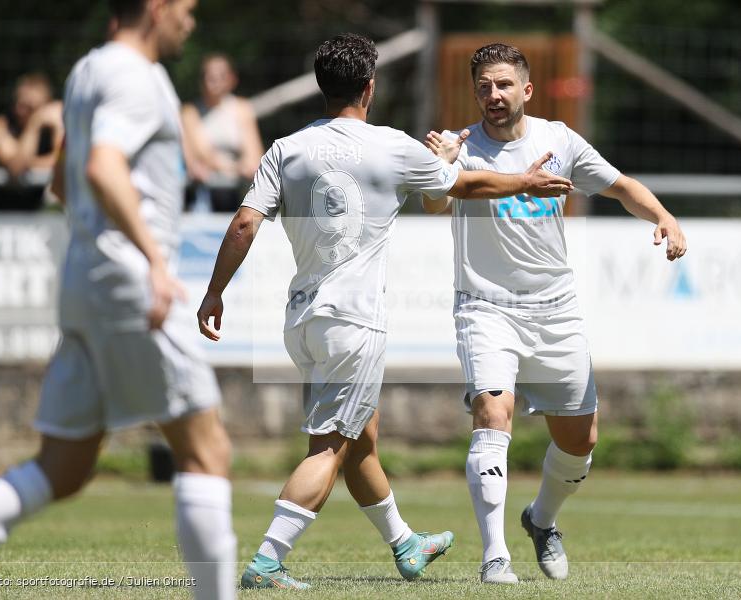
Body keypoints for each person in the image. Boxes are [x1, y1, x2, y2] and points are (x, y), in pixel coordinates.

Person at [196, 33, 572, 589]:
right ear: (369, 87)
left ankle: (404, 544)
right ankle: (268, 560)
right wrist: (524, 180)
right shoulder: (390, 146)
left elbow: (245, 222)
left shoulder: (286, 148)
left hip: (303, 320)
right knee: (330, 447)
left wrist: (214, 292)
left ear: (323, 86)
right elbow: (461, 185)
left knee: (360, 439)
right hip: (354, 321)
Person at [0, 2, 237, 599]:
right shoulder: (134, 76)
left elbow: (63, 180)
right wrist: (153, 261)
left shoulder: (87, 70)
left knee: (61, 469)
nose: (189, 23)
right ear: (155, 8)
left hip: (85, 281)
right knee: (206, 452)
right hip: (132, 281)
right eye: (186, 10)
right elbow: (101, 166)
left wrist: (102, 246)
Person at [423, 43, 687, 584]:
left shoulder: (558, 139)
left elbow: (620, 187)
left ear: (527, 89)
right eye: (483, 87)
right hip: (486, 306)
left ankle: (541, 520)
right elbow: (434, 201)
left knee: (580, 440)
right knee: (493, 414)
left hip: (555, 311)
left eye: (502, 85)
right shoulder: (461, 147)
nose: (492, 96)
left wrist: (662, 215)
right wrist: (440, 166)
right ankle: (495, 555)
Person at [181, 53, 262, 211]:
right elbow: (204, 154)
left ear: (232, 79)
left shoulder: (242, 109)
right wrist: (237, 168)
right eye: (210, 76)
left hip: (239, 194)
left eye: (221, 76)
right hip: (204, 195)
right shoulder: (190, 113)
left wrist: (244, 167)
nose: (215, 81)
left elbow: (254, 156)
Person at [0, 72, 64, 210]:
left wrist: (60, 124)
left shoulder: (51, 128)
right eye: (18, 103)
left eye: (30, 107)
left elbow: (62, 165)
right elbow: (17, 168)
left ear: (46, 106)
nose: (20, 110)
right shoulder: (1, 125)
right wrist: (34, 125)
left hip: (30, 219)